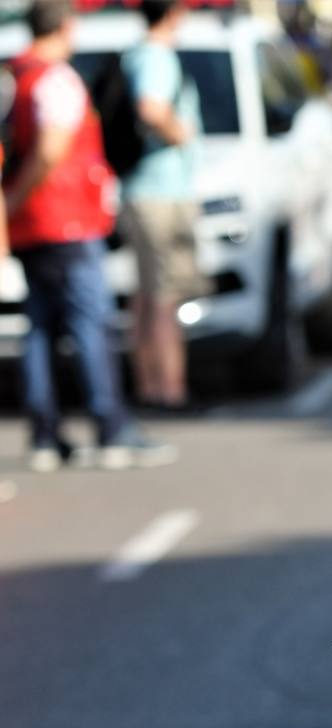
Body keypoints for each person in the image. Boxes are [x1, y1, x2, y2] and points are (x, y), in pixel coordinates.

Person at [4, 0, 174, 470]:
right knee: (89, 324)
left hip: (30, 226)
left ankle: (44, 435)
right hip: (66, 219)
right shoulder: (56, 79)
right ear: (64, 28)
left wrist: (11, 206)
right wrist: (15, 199)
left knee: (38, 327)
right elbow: (51, 149)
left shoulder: (16, 75)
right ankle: (111, 427)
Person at [121, 0, 205, 413]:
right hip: (161, 192)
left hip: (142, 190)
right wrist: (181, 134)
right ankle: (169, 390)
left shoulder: (135, 55)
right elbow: (150, 109)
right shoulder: (156, 57)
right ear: (174, 12)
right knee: (165, 296)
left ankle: (149, 385)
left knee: (147, 295)